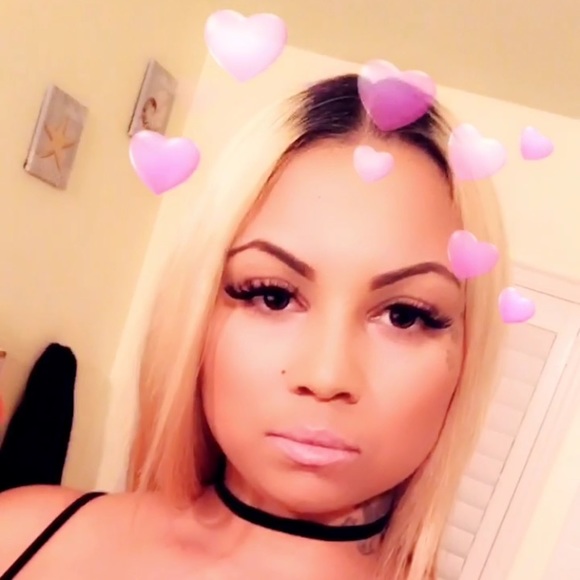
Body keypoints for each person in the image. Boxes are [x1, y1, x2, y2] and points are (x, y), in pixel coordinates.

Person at [0, 73, 508, 580]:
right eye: (272, 296)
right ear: (195, 311)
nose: (327, 376)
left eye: (405, 316)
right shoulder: (20, 532)